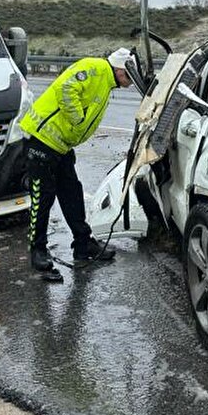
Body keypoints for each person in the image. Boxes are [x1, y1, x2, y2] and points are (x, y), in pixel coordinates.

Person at [20, 48, 134, 276]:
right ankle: (38, 250)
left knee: (72, 192)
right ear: (120, 69)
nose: (130, 83)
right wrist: (77, 119)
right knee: (43, 197)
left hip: (60, 145)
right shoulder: (95, 68)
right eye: (130, 77)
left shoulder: (106, 81)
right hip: (41, 140)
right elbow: (66, 88)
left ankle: (83, 243)